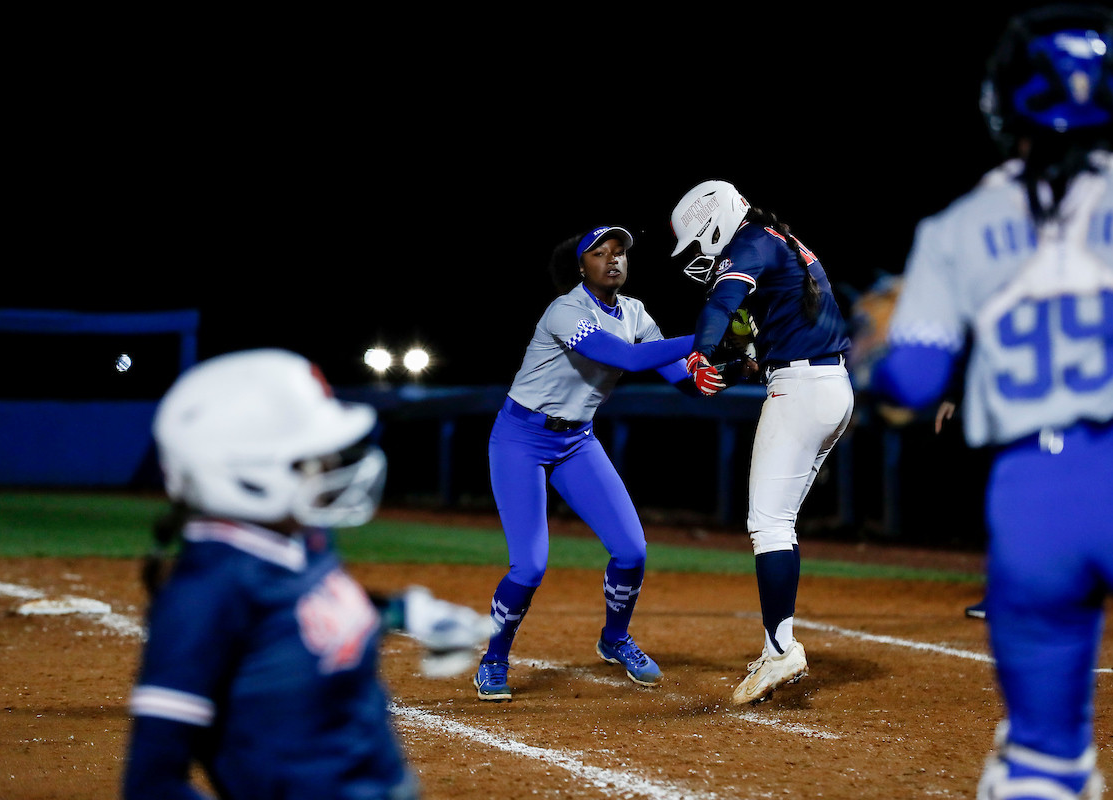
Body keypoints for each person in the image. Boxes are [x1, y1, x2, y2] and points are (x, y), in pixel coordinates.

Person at [873, 6, 1113, 798]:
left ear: (1003, 105)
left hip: (1033, 504)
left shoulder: (956, 227)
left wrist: (870, 352)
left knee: (1044, 758)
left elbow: (912, 383)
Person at [122, 348, 493, 800]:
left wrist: (404, 613)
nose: (331, 468)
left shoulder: (301, 539)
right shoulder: (202, 598)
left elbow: (301, 618)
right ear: (246, 474)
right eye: (310, 458)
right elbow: (152, 783)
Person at [473, 225, 699, 702]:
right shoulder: (566, 310)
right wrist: (707, 333)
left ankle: (614, 640)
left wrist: (735, 364)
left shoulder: (635, 312)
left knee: (632, 551)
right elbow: (629, 359)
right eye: (601, 252)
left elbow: (682, 379)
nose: (613, 259)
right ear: (581, 265)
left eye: (619, 252)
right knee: (529, 566)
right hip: (521, 439)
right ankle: (493, 659)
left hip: (577, 441)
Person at [669, 181, 854, 705]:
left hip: (802, 389)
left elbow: (721, 304)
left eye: (698, 240)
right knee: (780, 523)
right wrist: (749, 358)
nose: (700, 255)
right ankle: (778, 642)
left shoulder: (751, 242)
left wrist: (701, 353)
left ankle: (780, 649)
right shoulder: (778, 239)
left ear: (714, 220)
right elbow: (789, 325)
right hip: (831, 387)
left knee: (768, 525)